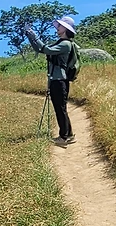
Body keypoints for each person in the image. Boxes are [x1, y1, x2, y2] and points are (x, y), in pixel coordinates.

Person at [24, 16, 77, 146]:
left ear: (66, 29)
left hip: (59, 81)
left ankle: (63, 137)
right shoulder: (61, 42)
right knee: (61, 108)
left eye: (60, 26)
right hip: (57, 80)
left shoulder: (65, 44)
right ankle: (69, 135)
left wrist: (33, 34)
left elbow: (46, 50)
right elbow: (40, 49)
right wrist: (30, 36)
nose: (57, 27)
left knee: (60, 109)